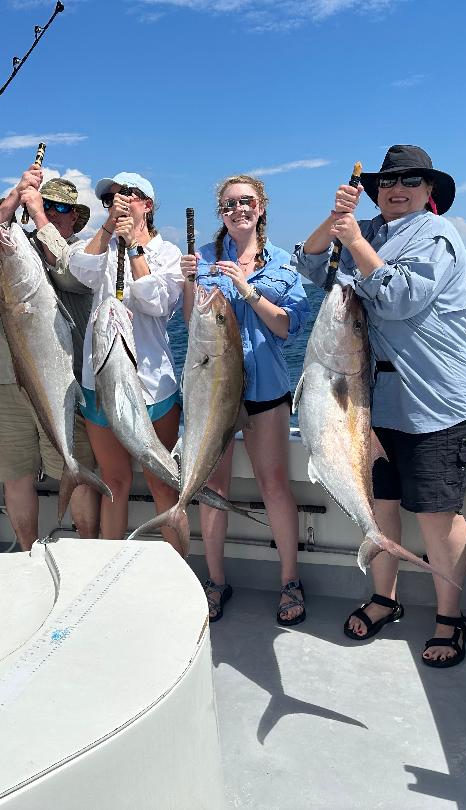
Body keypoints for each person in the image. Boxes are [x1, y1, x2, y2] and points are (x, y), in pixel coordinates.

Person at [296, 144, 466, 667]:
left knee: (436, 518)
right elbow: (311, 267)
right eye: (387, 182)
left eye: (410, 181)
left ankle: (451, 617)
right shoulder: (369, 232)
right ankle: (385, 598)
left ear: (429, 192)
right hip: (374, 409)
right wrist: (337, 221)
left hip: (438, 405)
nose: (395, 189)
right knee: (381, 509)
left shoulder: (439, 237)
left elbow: (401, 297)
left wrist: (354, 238)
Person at [180, 175, 310, 626]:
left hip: (265, 392)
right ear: (220, 212)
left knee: (274, 484)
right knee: (212, 489)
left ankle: (290, 581)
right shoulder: (207, 263)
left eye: (246, 201)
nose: (239, 209)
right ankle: (215, 582)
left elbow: (286, 327)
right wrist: (188, 284)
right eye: (230, 204)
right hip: (213, 391)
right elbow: (190, 323)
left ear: (261, 207)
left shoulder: (283, 264)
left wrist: (248, 288)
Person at [0, 172, 100, 548]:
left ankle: (87, 553)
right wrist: (15, 196)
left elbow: (71, 277)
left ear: (74, 217)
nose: (53, 212)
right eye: (45, 204)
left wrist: (39, 216)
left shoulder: (84, 255)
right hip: (10, 383)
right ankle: (28, 556)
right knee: (16, 476)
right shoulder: (12, 249)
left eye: (61, 208)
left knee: (75, 473)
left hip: (62, 386)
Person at [68, 173, 183, 546]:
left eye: (127, 196)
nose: (118, 202)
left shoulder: (167, 254)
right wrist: (107, 231)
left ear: (147, 204)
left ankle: (177, 573)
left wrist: (134, 247)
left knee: (161, 481)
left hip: (153, 388)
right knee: (113, 481)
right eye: (111, 198)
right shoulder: (102, 247)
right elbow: (78, 269)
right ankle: (110, 569)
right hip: (100, 381)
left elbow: (156, 302)